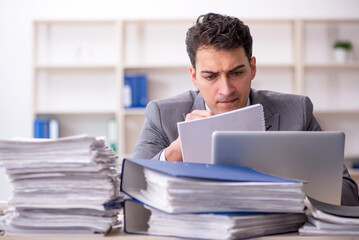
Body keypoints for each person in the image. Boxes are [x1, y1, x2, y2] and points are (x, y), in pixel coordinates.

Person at [133, 13, 359, 206]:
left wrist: (288, 187)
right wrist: (175, 152)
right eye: (211, 76)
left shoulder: (297, 111)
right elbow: (132, 192)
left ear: (252, 68)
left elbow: (348, 193)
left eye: (237, 73)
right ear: (194, 77)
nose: (226, 89)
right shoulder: (162, 115)